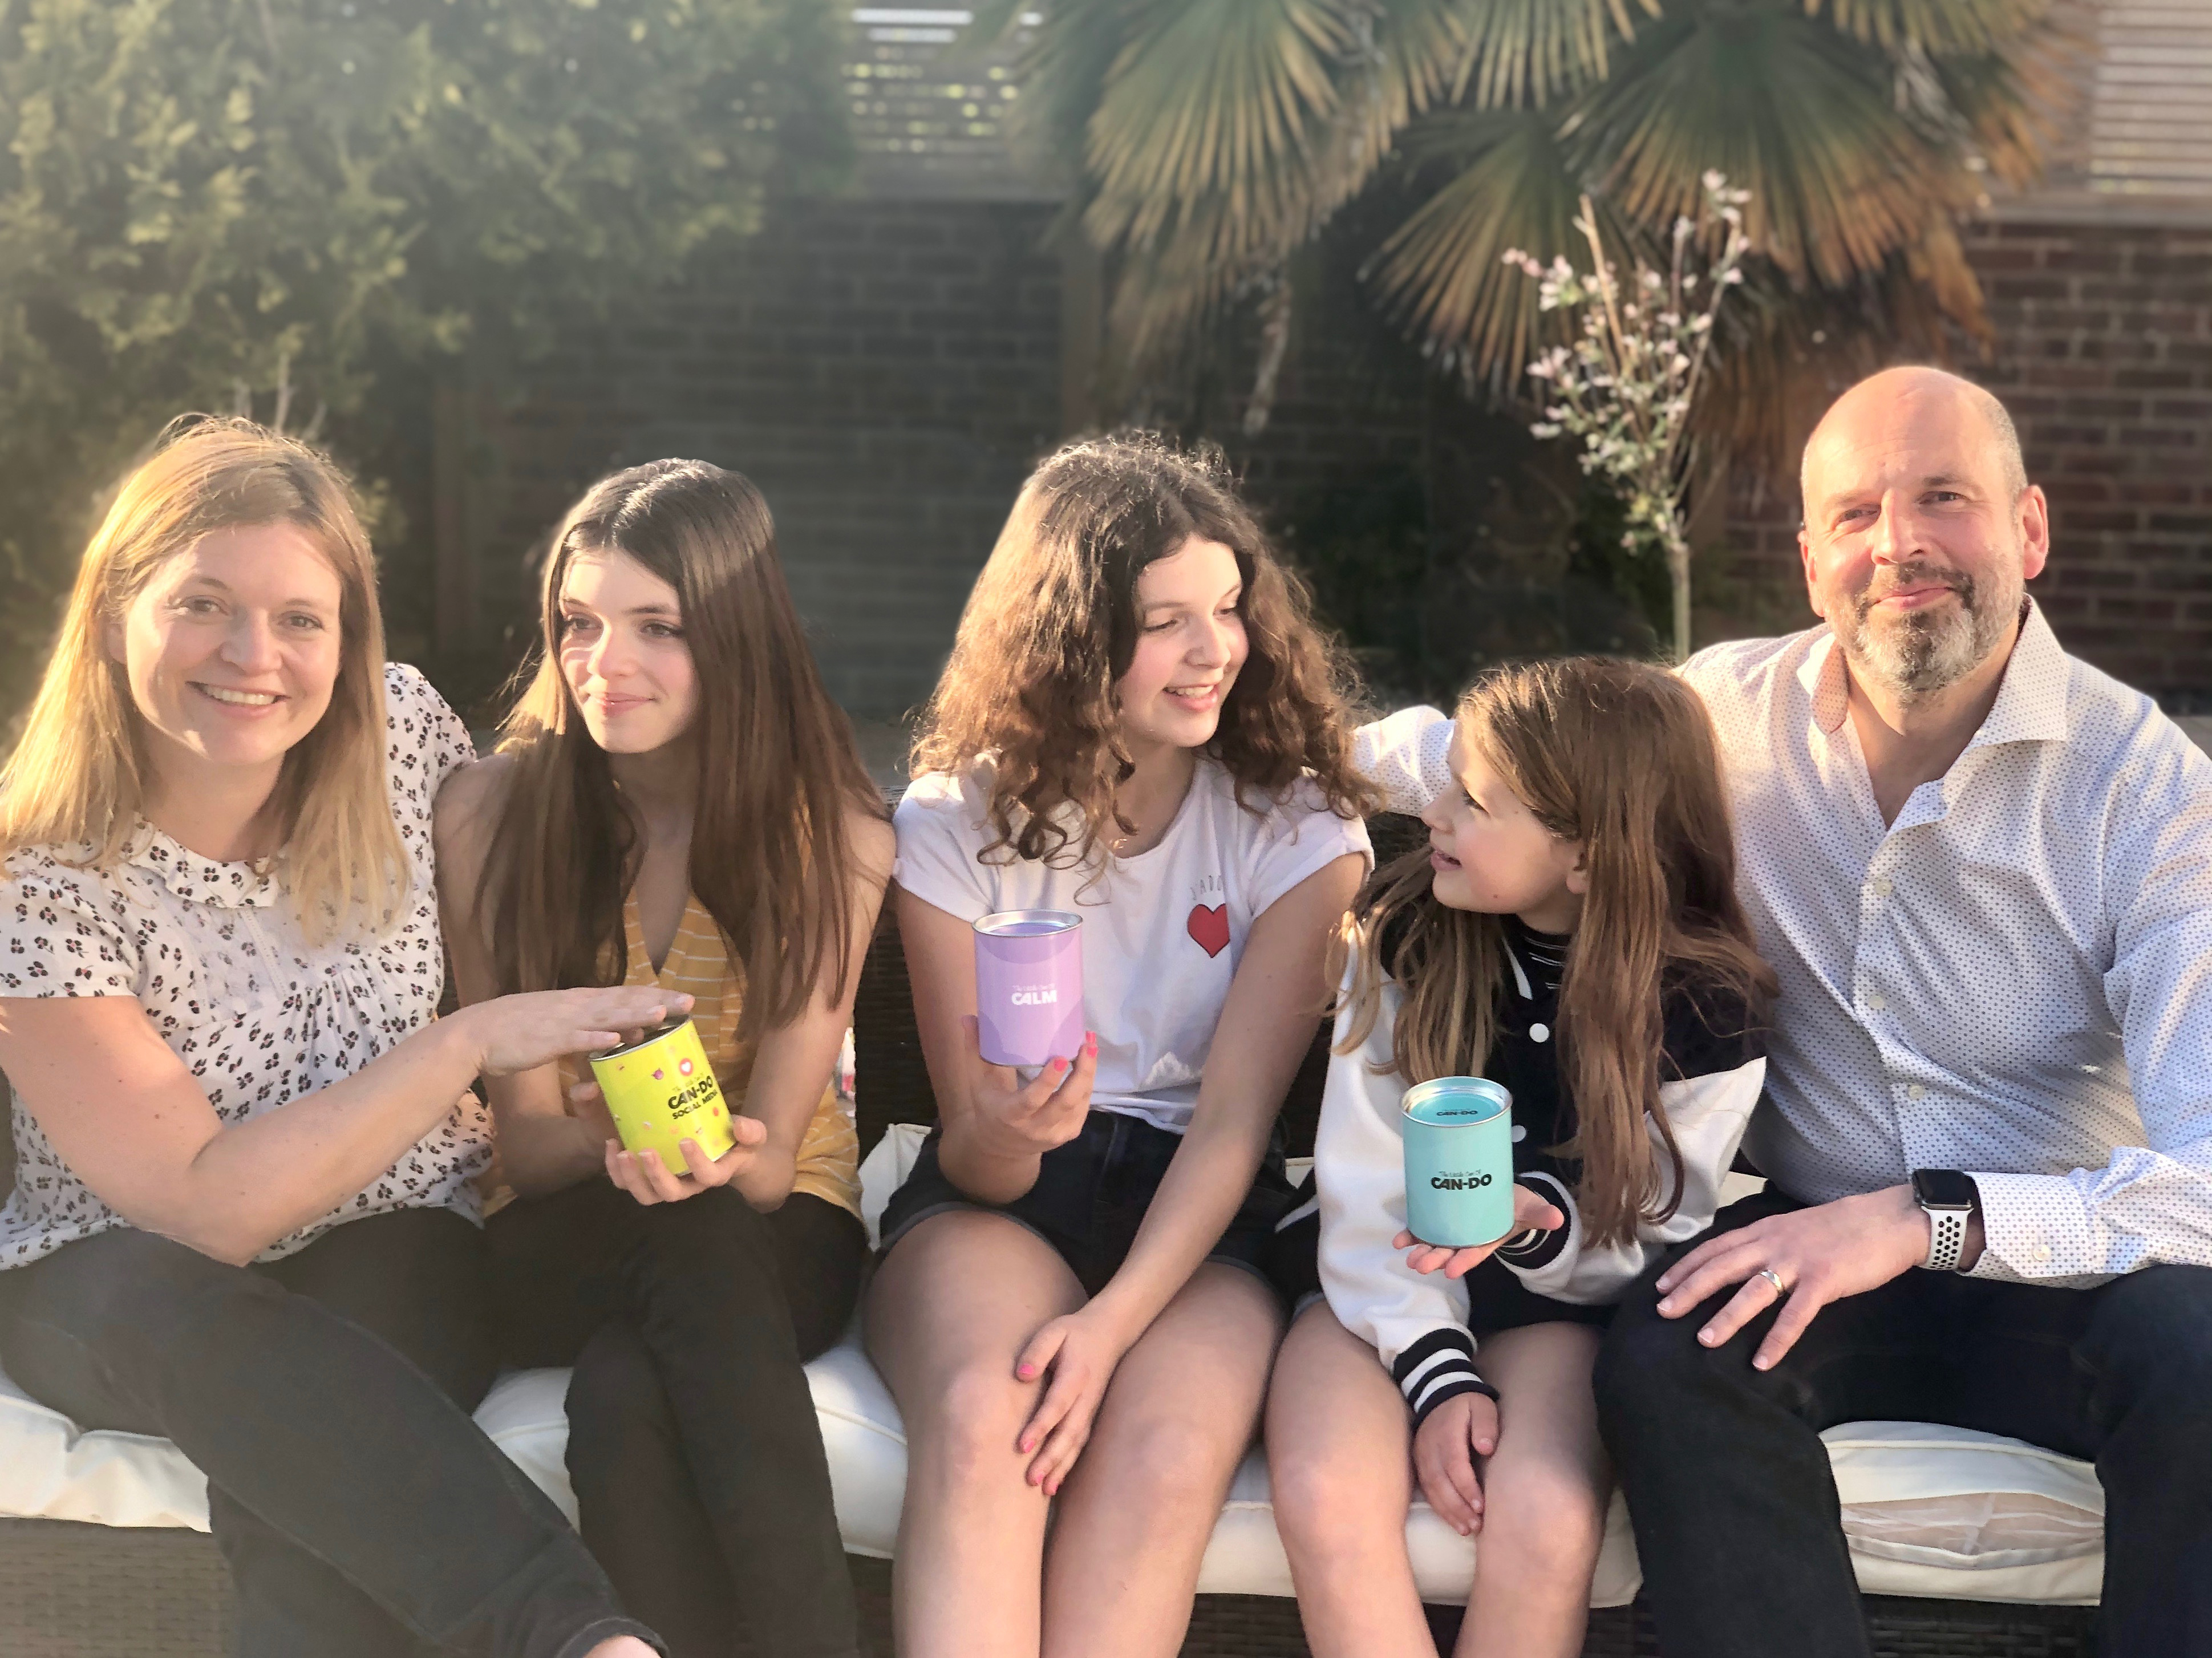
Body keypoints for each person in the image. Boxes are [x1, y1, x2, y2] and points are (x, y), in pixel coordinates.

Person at [0, 416, 672, 1658]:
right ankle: (575, 1633)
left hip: (394, 1229)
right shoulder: (39, 879)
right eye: (203, 603)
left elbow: (565, 839)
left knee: (325, 1440)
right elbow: (207, 1215)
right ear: (112, 612)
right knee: (185, 1310)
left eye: (302, 618)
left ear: (350, 641)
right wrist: (462, 1046)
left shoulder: (404, 732)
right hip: (118, 1271)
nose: (255, 655)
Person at [1593, 366, 2212, 1658]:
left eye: (1943, 498)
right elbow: (1484, 757)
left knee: (2204, 1343)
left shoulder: (2146, 790)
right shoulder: (1717, 718)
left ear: (2028, 530)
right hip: (1820, 1254)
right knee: (1672, 1346)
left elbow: (2208, 1178)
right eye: (1859, 512)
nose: (1901, 544)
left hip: (2065, 1264)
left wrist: (1923, 1219)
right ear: (1811, 554)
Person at [865, 434, 1374, 1658]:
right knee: (994, 1417)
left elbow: (1235, 1120)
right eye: (1166, 621)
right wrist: (1006, 1128)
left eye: (1228, 610)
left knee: (1155, 1457)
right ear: (1072, 637)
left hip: (1204, 1212)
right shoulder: (952, 823)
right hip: (1007, 1202)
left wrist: (1106, 1329)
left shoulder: (1296, 826)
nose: (1215, 651)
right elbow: (975, 1152)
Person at [436, 460, 893, 1658]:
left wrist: (706, 1153)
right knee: (672, 1236)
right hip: (562, 1230)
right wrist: (617, 1140)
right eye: (578, 624)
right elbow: (529, 1149)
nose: (604, 663)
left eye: (658, 627)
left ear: (737, 639)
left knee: (628, 1395)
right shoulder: (492, 814)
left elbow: (774, 1153)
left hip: (774, 1218)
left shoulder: (830, 833)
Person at [1265, 660, 1771, 1658]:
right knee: (1327, 1491)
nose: (1435, 814)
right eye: (1443, 782)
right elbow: (1362, 1182)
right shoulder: (1404, 935)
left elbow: (1660, 1223)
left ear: (1582, 856)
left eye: (1472, 800)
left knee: (1544, 1521)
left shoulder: (1706, 1005)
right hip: (1371, 1286)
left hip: (1559, 1311)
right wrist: (1437, 1375)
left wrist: (1540, 1222)